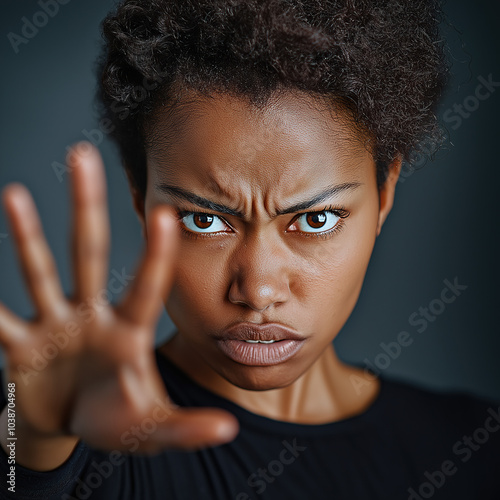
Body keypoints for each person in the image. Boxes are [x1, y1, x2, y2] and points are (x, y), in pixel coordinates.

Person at [0, 0, 499, 498]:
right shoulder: (83, 445)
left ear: (385, 192)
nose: (257, 290)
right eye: (205, 219)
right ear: (138, 194)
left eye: (315, 219)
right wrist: (32, 433)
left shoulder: (474, 449)